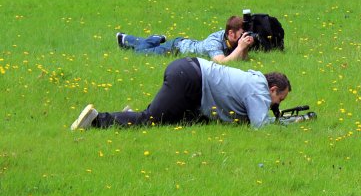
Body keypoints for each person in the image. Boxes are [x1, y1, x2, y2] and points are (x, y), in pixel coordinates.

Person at [71, 57, 290, 130]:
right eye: (279, 99)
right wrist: (291, 122)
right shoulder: (259, 91)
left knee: (184, 122)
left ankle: (128, 118)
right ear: (272, 89)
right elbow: (259, 126)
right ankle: (95, 120)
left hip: (188, 73)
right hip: (189, 80)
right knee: (151, 119)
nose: (276, 105)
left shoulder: (254, 80)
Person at [116, 16, 254, 63]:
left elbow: (241, 60)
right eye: (241, 34)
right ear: (231, 33)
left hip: (184, 45)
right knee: (140, 53)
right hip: (176, 49)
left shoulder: (231, 40)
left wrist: (245, 48)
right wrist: (241, 47)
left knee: (143, 49)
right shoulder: (214, 42)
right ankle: (153, 38)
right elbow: (222, 63)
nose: (242, 37)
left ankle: (127, 39)